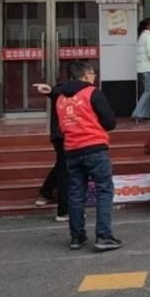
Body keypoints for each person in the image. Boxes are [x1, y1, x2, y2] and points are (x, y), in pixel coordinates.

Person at [55, 61, 121, 252]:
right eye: (93, 74)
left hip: (72, 149)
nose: (94, 77)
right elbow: (109, 122)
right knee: (104, 191)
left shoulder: (61, 98)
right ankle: (103, 236)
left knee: (76, 193)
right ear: (85, 75)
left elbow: (61, 125)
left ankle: (77, 237)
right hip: (94, 147)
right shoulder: (92, 93)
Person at [33, 79, 69, 222]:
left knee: (62, 165)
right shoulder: (66, 89)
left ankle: (46, 192)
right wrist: (51, 91)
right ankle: (64, 210)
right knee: (64, 170)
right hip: (65, 135)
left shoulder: (67, 90)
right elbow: (58, 92)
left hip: (64, 134)